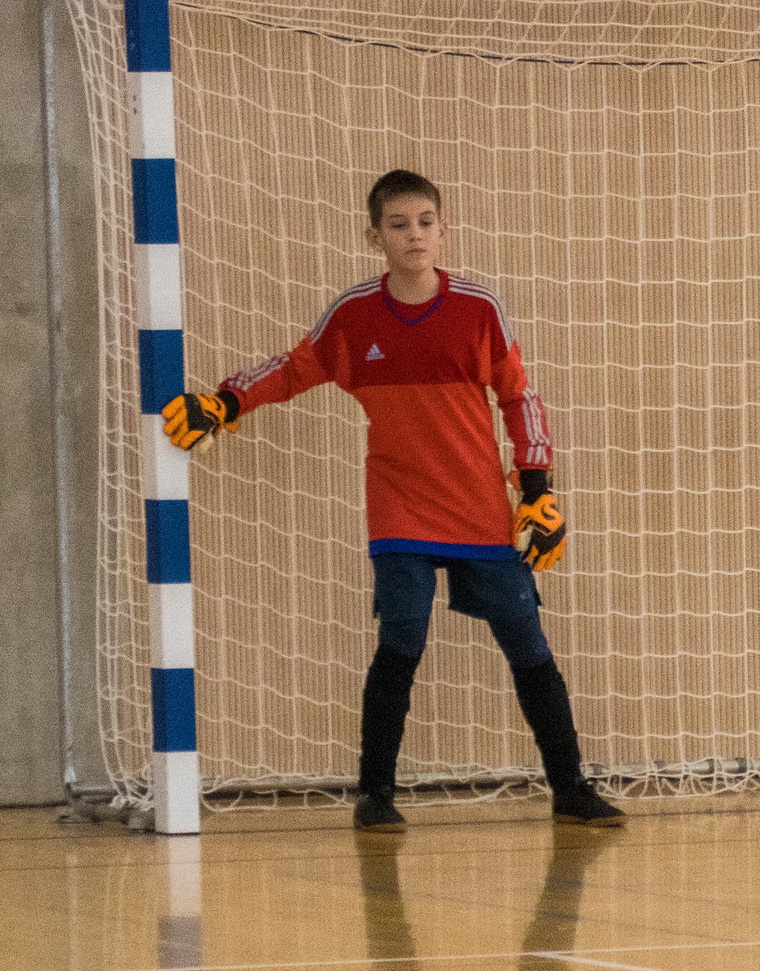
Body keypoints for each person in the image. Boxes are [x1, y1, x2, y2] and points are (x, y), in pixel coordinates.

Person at [161, 169, 624, 833]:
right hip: (399, 506)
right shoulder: (354, 315)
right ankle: (374, 796)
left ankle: (570, 788)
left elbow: (519, 397)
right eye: (399, 224)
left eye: (426, 222)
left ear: (443, 230)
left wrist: (537, 489)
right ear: (373, 235)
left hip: (479, 508)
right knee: (400, 640)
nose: (415, 235)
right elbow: (295, 368)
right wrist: (227, 400)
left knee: (527, 642)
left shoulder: (479, 309)